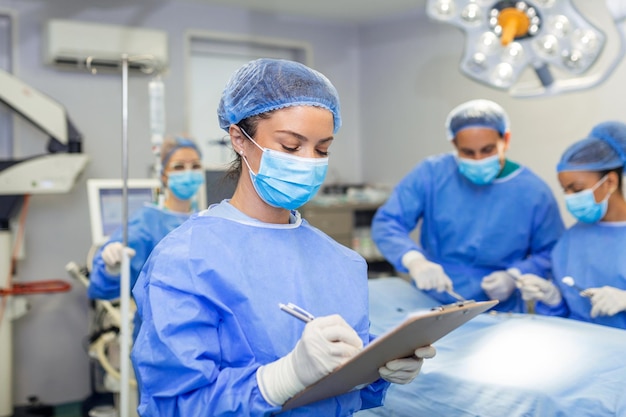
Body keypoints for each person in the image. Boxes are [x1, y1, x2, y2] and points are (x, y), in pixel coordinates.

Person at [130, 58, 435, 417]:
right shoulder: (187, 259)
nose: (309, 161)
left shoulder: (342, 261)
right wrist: (282, 378)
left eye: (322, 149)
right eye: (291, 147)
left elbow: (345, 389)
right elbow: (175, 405)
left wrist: (379, 370)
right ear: (239, 139)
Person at [371, 99, 565, 313]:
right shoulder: (432, 174)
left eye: (487, 150)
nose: (478, 159)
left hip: (498, 308)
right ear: (454, 145)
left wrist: (514, 275)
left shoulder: (533, 191)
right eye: (468, 153)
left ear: (506, 140)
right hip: (431, 301)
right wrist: (415, 261)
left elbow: (551, 250)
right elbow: (387, 222)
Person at [88, 136, 205, 335]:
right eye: (178, 167)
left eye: (195, 166)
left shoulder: (207, 219)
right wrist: (112, 269)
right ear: (164, 176)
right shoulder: (147, 223)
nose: (188, 173)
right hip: (162, 338)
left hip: (205, 330)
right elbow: (102, 289)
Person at [517, 121, 626, 329]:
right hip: (583, 352)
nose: (569, 198)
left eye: (576, 189)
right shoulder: (572, 239)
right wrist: (553, 299)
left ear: (610, 182)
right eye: (565, 190)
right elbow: (568, 317)